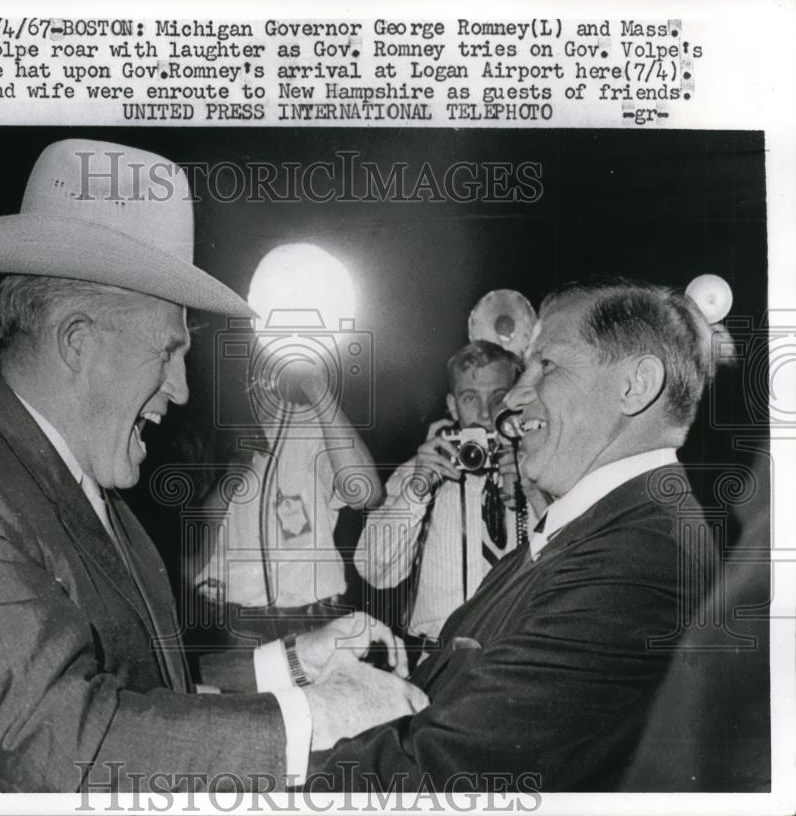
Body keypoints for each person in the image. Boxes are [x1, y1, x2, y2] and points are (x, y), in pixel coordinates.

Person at [0, 139, 427, 793]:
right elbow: (62, 745)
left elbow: (143, 695)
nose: (180, 389)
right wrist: (315, 716)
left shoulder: (96, 499)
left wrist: (289, 664)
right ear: (79, 343)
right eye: (168, 351)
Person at [309, 278, 725, 791]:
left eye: (546, 365)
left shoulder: (642, 558)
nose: (510, 404)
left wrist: (270, 754)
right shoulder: (596, 526)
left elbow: (444, 772)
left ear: (634, 385)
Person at [354, 340, 545, 642]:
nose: (484, 413)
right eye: (470, 398)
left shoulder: (538, 469)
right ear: (453, 405)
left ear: (513, 401)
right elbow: (374, 572)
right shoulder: (417, 472)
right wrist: (416, 492)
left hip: (516, 656)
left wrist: (533, 493)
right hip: (439, 658)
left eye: (497, 397)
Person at [193, 352, 383, 646]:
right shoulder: (213, 432)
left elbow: (365, 492)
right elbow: (196, 536)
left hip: (307, 620)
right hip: (233, 623)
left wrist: (318, 390)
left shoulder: (307, 424)